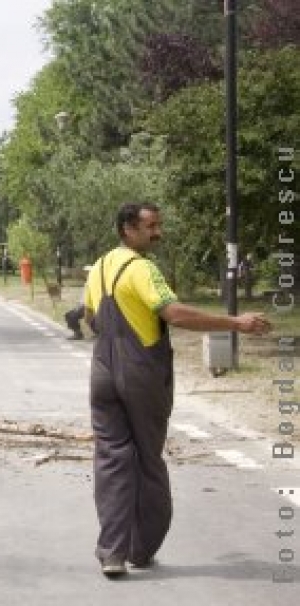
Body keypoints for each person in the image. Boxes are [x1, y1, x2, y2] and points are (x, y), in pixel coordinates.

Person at [85, 202, 271, 578]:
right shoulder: (142, 269)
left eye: (158, 225)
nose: (158, 233)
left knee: (110, 460)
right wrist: (236, 322)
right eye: (151, 226)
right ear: (127, 230)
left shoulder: (100, 267)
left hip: (102, 374)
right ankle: (141, 549)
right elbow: (175, 314)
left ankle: (112, 553)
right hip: (141, 376)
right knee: (149, 462)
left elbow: (90, 318)